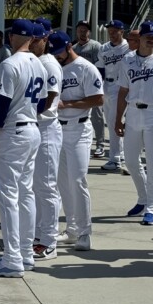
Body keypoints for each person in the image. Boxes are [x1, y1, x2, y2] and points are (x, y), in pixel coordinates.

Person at [0, 19, 47, 277]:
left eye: (11, 34)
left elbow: (1, 109)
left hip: (14, 132)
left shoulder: (9, 64)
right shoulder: (38, 64)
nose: (9, 38)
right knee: (25, 193)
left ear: (18, 36)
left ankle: (12, 258)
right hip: (32, 128)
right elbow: (40, 104)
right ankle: (25, 254)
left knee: (8, 197)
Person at [114, 21, 153, 225]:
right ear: (139, 38)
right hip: (133, 113)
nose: (152, 38)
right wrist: (118, 119)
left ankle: (151, 208)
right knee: (131, 161)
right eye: (148, 35)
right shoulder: (127, 60)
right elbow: (123, 91)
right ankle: (143, 198)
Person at [50, 30, 104, 251]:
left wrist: (69, 104)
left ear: (68, 47)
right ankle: (71, 229)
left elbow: (98, 99)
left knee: (78, 180)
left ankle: (85, 232)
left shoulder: (85, 68)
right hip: (58, 129)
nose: (55, 56)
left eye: (58, 52)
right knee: (62, 182)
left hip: (79, 128)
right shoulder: (54, 66)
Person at [30, 20, 63, 261]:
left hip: (47, 127)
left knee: (47, 186)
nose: (32, 43)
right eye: (30, 39)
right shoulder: (35, 62)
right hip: (36, 126)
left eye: (37, 39)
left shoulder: (49, 64)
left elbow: (50, 98)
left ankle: (50, 241)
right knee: (36, 186)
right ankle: (40, 235)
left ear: (45, 40)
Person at [97, 20, 129, 172]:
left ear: (122, 31)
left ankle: (115, 159)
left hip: (121, 86)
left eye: (115, 31)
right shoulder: (103, 48)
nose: (112, 33)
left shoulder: (128, 47)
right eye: (110, 31)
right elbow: (101, 70)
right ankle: (120, 155)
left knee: (115, 122)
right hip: (107, 86)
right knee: (112, 123)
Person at [73, 20, 105, 157]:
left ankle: (100, 144)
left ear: (89, 32)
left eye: (85, 30)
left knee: (97, 116)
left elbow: (100, 67)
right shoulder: (73, 48)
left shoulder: (95, 46)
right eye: (80, 29)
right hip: (78, 86)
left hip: (92, 86)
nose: (82, 32)